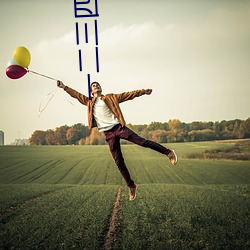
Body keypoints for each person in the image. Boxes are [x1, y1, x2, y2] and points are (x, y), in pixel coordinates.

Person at [57, 80, 177, 201]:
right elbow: (76, 94)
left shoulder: (111, 97)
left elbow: (128, 94)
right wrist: (63, 87)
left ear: (100, 88)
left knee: (142, 142)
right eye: (93, 86)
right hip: (108, 134)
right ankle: (131, 186)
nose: (96, 86)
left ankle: (168, 152)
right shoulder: (88, 102)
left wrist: (143, 92)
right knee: (118, 161)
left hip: (119, 128)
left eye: (97, 84)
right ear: (91, 91)